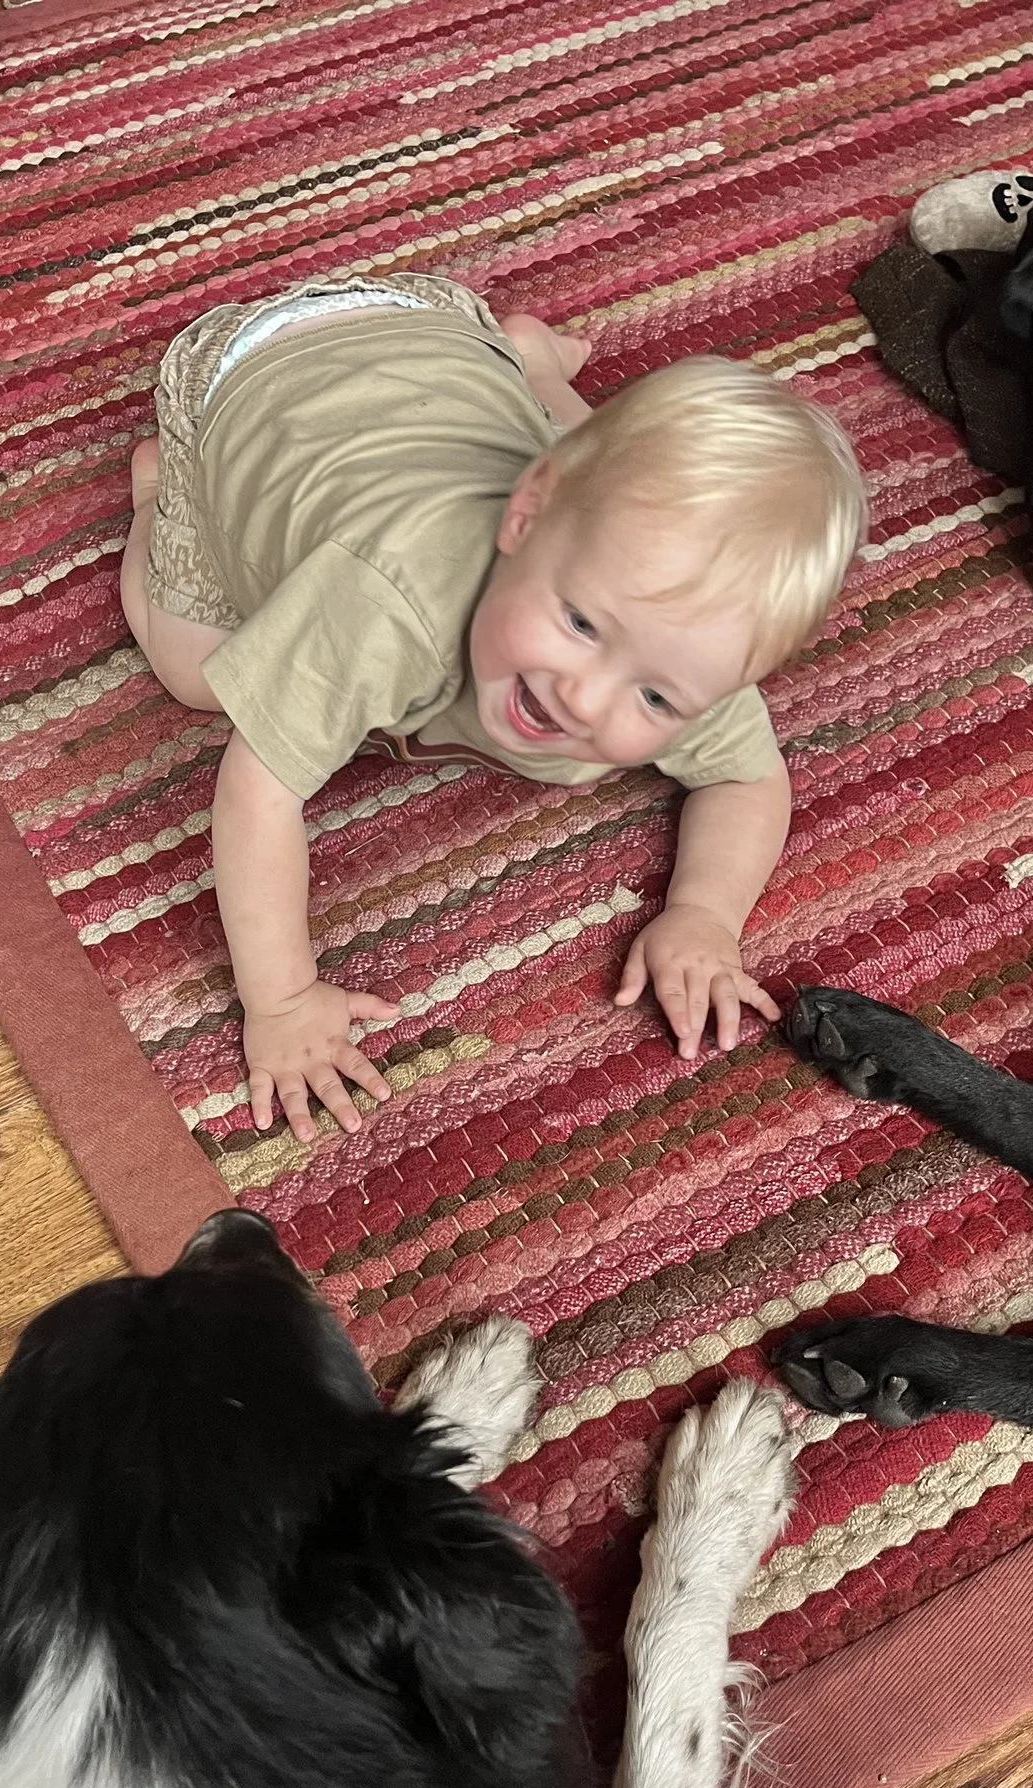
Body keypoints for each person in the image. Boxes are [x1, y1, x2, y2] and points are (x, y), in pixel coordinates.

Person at [121, 272, 867, 1141]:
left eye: (656, 695)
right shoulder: (387, 599)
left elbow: (748, 776)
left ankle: (531, 361)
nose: (580, 695)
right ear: (521, 519)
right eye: (580, 621)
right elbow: (258, 786)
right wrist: (281, 1000)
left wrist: (704, 912)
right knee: (201, 673)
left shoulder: (683, 641)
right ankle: (158, 499)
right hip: (250, 372)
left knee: (599, 478)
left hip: (445, 348)